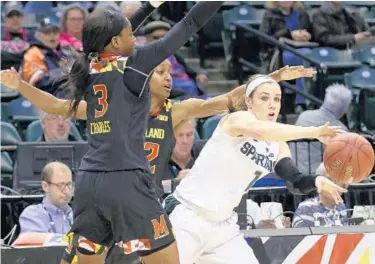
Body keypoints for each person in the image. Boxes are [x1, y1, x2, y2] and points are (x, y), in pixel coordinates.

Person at [1, 1, 225, 263]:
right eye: (131, 34)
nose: (135, 38)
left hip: (89, 184)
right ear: (116, 42)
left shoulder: (87, 65)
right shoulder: (136, 64)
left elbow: (55, 104)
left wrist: (19, 85)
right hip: (127, 182)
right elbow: (190, 24)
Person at [161, 74, 347, 264]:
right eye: (264, 98)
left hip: (223, 226)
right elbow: (260, 130)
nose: (272, 104)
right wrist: (313, 132)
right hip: (189, 216)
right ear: (249, 101)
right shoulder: (236, 119)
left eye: (277, 99)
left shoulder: (277, 145)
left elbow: (295, 180)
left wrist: (317, 181)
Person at [18, 161, 73, 244]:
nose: (67, 191)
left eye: (69, 185)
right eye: (60, 185)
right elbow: (33, 244)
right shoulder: (33, 215)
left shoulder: (78, 215)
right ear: (45, 186)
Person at [292, 162, 348, 228]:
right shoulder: (306, 208)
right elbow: (300, 237)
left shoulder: (341, 206)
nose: (334, 184)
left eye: (338, 179)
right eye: (329, 179)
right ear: (319, 183)